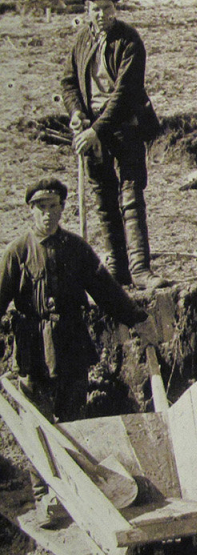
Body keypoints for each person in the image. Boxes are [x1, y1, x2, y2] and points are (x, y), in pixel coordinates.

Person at [0, 177, 149, 526]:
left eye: (53, 206)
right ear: (29, 210)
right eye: (40, 207)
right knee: (38, 424)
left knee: (73, 422)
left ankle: (75, 490)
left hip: (70, 345)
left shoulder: (77, 249)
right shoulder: (17, 251)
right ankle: (44, 495)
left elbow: (105, 290)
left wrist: (135, 318)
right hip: (34, 350)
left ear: (62, 208)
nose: (47, 214)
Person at [62, 0, 166, 291]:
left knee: (131, 195)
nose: (102, 14)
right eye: (96, 9)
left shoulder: (129, 40)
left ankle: (140, 268)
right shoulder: (82, 41)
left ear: (115, 9)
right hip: (93, 128)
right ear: (87, 11)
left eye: (107, 8)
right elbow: (68, 82)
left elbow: (125, 93)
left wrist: (96, 130)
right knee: (103, 197)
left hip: (126, 125)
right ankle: (117, 267)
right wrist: (76, 114)